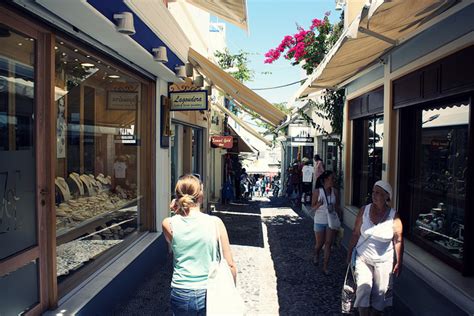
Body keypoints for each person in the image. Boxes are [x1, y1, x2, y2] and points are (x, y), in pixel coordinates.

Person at [162, 174, 237, 316]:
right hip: (209, 291)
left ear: (176, 197)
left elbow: (177, 239)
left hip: (180, 292)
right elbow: (230, 264)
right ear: (201, 196)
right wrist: (231, 288)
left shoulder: (168, 223)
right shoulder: (215, 223)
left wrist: (176, 210)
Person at [346, 180, 403, 316]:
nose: (374, 195)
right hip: (363, 257)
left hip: (384, 261)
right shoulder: (363, 211)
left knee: (380, 295)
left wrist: (399, 261)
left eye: (378, 193)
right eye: (373, 192)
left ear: (386, 196)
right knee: (363, 289)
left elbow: (398, 240)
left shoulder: (394, 216)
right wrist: (349, 252)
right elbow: (355, 233)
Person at [310, 170, 341, 275]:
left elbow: (337, 207)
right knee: (320, 244)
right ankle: (316, 253)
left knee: (328, 244)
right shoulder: (317, 192)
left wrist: (338, 221)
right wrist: (318, 205)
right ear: (325, 180)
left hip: (330, 221)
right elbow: (312, 208)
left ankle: (325, 267)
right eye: (332, 178)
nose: (333, 180)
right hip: (319, 221)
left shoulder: (335, 192)